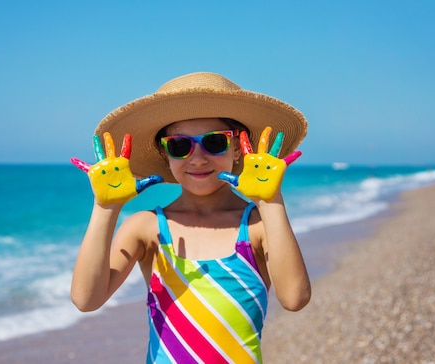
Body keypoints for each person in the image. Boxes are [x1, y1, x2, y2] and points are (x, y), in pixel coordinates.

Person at [70, 72, 311, 363]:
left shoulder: (258, 225)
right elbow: (86, 299)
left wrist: (271, 202)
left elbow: (295, 298)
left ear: (237, 148)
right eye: (180, 146)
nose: (197, 158)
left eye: (214, 142)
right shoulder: (147, 229)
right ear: (165, 153)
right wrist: (105, 208)